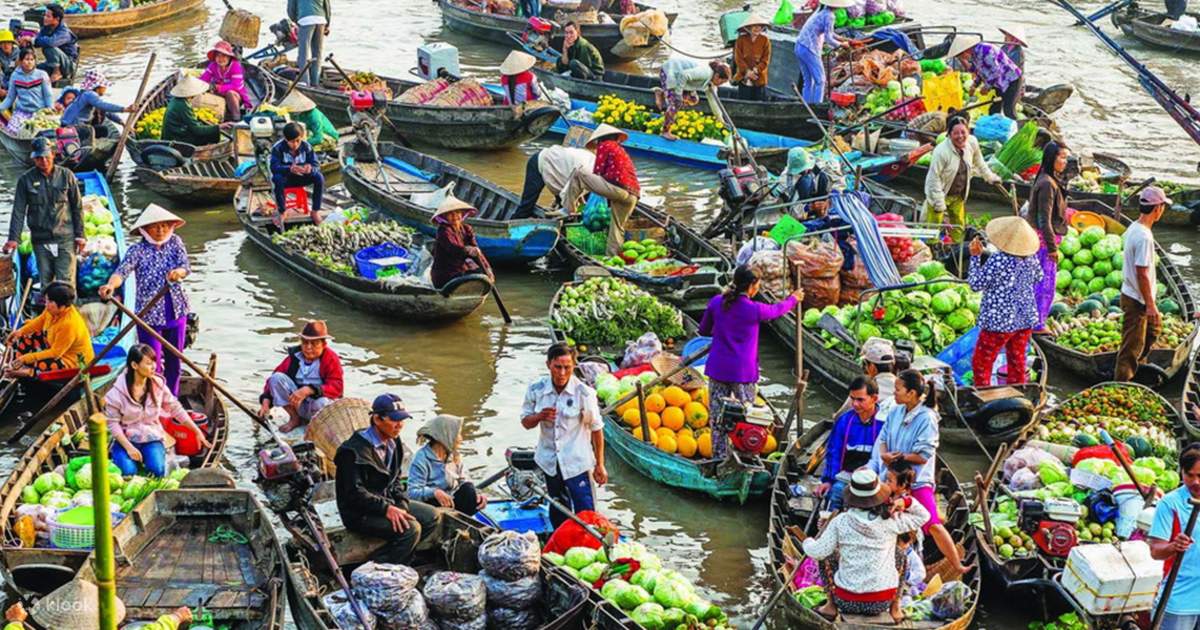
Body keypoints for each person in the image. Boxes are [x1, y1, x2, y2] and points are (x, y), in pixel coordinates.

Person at [870, 369, 971, 575]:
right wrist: (884, 455)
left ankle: (957, 564)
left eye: (898, 390)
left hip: (916, 479)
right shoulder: (896, 411)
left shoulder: (927, 418)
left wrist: (898, 457)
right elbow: (883, 438)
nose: (894, 393)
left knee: (932, 523)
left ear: (912, 393)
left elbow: (923, 456)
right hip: (890, 476)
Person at [698, 265, 802, 460]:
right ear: (753, 286)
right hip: (743, 373)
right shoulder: (754, 309)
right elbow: (776, 310)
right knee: (750, 417)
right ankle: (746, 455)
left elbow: (703, 330)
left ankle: (718, 457)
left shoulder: (716, 302)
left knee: (717, 417)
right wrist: (794, 299)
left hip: (719, 368)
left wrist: (723, 331)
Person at [801, 469, 929, 622]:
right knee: (901, 554)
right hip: (882, 602)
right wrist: (907, 501)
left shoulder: (841, 521)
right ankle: (895, 608)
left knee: (827, 554)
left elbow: (817, 552)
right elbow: (924, 516)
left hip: (846, 601)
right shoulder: (891, 521)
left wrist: (807, 542)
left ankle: (830, 606)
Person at [335, 393, 444, 566]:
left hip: (387, 501)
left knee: (432, 516)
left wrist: (401, 505)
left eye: (402, 420)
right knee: (411, 530)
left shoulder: (394, 442)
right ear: (377, 419)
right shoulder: (351, 452)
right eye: (394, 420)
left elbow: (396, 481)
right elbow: (354, 494)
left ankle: (397, 557)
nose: (399, 425)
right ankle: (380, 569)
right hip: (359, 512)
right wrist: (386, 509)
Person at [99, 204, 192, 396]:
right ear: (145, 229)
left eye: (165, 226)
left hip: (176, 310)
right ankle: (154, 401)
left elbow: (185, 266)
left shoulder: (175, 242)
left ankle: (171, 399)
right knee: (150, 365)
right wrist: (111, 285)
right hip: (149, 315)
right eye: (155, 226)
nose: (161, 230)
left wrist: (178, 273)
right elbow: (121, 272)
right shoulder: (137, 250)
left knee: (175, 359)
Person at [521, 343, 607, 530]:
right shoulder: (536, 389)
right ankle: (561, 544)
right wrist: (539, 416)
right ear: (548, 365)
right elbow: (525, 422)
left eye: (567, 367)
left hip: (577, 463)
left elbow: (596, 429)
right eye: (557, 367)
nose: (561, 373)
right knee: (559, 508)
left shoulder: (584, 393)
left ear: (573, 366)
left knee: (587, 514)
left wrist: (600, 464)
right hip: (550, 462)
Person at [104, 344, 210, 477]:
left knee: (157, 470)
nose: (154, 366)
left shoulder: (158, 385)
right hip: (126, 439)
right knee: (128, 473)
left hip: (151, 437)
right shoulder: (116, 393)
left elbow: (176, 408)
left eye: (154, 361)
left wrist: (196, 430)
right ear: (134, 365)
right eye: (148, 363)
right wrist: (129, 448)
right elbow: (113, 424)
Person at [968, 216, 1042, 387]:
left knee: (982, 362)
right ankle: (1019, 391)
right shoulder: (1031, 258)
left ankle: (984, 394)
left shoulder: (998, 259)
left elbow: (975, 284)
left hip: (1000, 321)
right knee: (1017, 361)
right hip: (1024, 318)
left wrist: (975, 257)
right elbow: (1038, 277)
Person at [4, 138, 83, 289]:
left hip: (65, 237)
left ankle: (68, 311)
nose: (44, 161)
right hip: (40, 239)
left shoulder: (67, 176)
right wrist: (14, 238)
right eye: (39, 158)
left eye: (47, 156)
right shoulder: (25, 180)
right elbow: (18, 212)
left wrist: (80, 235)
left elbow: (77, 207)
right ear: (33, 159)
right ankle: (48, 310)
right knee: (46, 282)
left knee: (66, 283)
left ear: (53, 154)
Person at [1116, 186, 1170, 382]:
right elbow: (1142, 273)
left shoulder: (1134, 228)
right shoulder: (1144, 237)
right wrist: (1150, 304)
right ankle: (1122, 384)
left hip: (1132, 293)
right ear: (1158, 209)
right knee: (1130, 348)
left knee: (1152, 332)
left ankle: (1140, 373)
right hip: (1137, 299)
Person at [559, 124, 640, 255]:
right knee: (617, 229)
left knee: (578, 173)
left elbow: (598, 172)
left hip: (618, 190)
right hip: (633, 196)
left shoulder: (605, 145)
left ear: (600, 139)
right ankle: (613, 258)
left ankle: (568, 208)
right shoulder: (620, 150)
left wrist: (586, 190)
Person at [924, 115, 1001, 242]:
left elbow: (979, 162)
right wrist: (939, 202)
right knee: (933, 228)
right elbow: (934, 178)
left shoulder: (972, 142)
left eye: (963, 132)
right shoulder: (941, 152)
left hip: (959, 194)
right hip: (940, 192)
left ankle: (957, 249)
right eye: (956, 133)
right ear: (949, 134)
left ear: (968, 132)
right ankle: (931, 249)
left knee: (959, 225)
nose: (960, 136)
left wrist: (990, 177)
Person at [1148, 442, 1200, 630]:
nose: (1196, 482)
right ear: (1182, 473)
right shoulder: (1171, 504)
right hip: (1179, 601)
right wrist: (1172, 547)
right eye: (1190, 475)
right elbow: (1155, 551)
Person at [258, 320, 344, 432]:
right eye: (305, 342)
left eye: (314, 343)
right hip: (297, 405)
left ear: (324, 344)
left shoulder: (330, 358)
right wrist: (266, 402)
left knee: (322, 402)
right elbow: (273, 379)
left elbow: (337, 387)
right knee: (276, 378)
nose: (308, 347)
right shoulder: (295, 356)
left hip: (319, 408)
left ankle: (317, 429)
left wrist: (310, 389)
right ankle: (295, 418)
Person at [817, 375, 885, 511]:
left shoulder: (884, 422)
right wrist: (828, 481)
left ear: (874, 398)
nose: (854, 404)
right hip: (847, 475)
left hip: (875, 478)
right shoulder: (844, 421)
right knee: (836, 493)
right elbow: (834, 452)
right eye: (852, 399)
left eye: (860, 400)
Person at [3, 281, 91, 378]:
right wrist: (20, 332)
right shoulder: (52, 310)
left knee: (44, 363)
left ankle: (29, 371)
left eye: (49, 302)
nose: (46, 304)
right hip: (52, 344)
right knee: (25, 335)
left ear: (62, 307)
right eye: (46, 300)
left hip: (72, 361)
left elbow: (55, 353)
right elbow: (40, 321)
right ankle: (15, 363)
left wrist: (26, 358)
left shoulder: (69, 324)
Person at [408, 414, 488, 514]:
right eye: (458, 434)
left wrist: (478, 494)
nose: (460, 438)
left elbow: (464, 480)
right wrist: (434, 492)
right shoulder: (421, 459)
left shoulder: (454, 455)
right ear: (446, 435)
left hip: (450, 501)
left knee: (469, 489)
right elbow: (412, 493)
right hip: (431, 506)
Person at [1027, 142, 1069, 332]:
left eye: (1066, 158)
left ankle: (1034, 320)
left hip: (1043, 240)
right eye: (1062, 157)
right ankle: (1037, 324)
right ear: (1052, 158)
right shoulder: (1046, 184)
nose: (1064, 162)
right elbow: (1044, 219)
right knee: (1045, 285)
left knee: (1040, 282)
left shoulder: (1048, 180)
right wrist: (1052, 248)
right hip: (1044, 243)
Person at [653, 57, 731, 141]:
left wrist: (721, 120)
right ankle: (665, 131)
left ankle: (661, 93)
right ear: (717, 76)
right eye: (721, 82)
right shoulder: (705, 73)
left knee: (694, 99)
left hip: (683, 80)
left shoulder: (712, 85)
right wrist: (678, 94)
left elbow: (714, 103)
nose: (720, 85)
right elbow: (684, 75)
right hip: (670, 71)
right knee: (676, 103)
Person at [948, 35, 1023, 120]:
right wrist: (974, 85)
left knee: (1008, 110)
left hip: (1011, 79)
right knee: (993, 110)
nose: (962, 59)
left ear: (966, 50)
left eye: (961, 56)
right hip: (998, 83)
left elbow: (996, 71)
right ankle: (994, 128)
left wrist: (986, 87)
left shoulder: (985, 50)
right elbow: (980, 72)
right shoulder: (973, 56)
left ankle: (1017, 129)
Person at [793, 0, 852, 104]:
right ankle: (817, 107)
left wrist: (842, 39)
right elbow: (828, 38)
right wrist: (842, 45)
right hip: (809, 48)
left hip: (799, 46)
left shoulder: (820, 12)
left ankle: (806, 106)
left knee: (808, 81)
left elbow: (830, 33)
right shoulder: (829, 16)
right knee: (821, 80)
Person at [514, 144, 594, 219]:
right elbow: (570, 190)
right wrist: (569, 208)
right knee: (526, 206)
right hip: (542, 161)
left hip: (560, 170)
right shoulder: (587, 170)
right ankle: (510, 227)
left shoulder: (594, 163)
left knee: (565, 210)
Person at [430, 195, 493, 289]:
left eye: (457, 213)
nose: (455, 216)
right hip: (445, 274)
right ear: (444, 217)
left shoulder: (466, 229)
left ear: (462, 214)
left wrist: (487, 268)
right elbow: (452, 248)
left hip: (460, 270)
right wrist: (467, 249)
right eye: (450, 214)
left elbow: (476, 251)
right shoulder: (443, 230)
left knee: (482, 274)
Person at [269, 122, 325, 221]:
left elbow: (316, 165)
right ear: (286, 140)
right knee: (277, 178)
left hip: (302, 177)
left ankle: (315, 210)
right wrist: (289, 169)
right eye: (291, 142)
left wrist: (310, 169)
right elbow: (274, 167)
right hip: (286, 179)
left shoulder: (307, 147)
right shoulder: (277, 148)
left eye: (297, 141)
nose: (295, 144)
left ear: (301, 137)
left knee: (319, 177)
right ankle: (282, 211)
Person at [836, 338, 898, 417]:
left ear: (872, 367)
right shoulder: (901, 387)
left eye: (865, 364)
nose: (864, 368)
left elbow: (841, 415)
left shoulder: (864, 388)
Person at [162, 73, 229, 146]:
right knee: (211, 134)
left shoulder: (177, 100)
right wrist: (219, 126)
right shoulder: (182, 105)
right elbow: (197, 130)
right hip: (176, 139)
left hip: (174, 134)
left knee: (208, 128)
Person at [0, 48, 54, 133]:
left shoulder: (42, 74)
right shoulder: (15, 76)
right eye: (26, 59)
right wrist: (1, 108)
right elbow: (10, 98)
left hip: (39, 111)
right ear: (21, 61)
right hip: (22, 111)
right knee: (13, 131)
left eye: (32, 59)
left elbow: (48, 95)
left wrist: (50, 110)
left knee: (45, 130)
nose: (29, 62)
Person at [198, 40, 252, 122]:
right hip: (219, 94)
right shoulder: (213, 65)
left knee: (230, 93)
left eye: (224, 56)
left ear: (229, 57)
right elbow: (203, 79)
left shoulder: (236, 66)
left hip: (235, 97)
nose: (220, 59)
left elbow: (236, 86)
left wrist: (217, 87)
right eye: (218, 56)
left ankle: (236, 119)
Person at [23, 5, 77, 83]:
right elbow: (37, 41)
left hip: (68, 65)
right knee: (34, 69)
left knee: (48, 47)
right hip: (54, 62)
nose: (45, 18)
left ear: (57, 19)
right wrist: (27, 40)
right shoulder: (46, 28)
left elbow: (50, 42)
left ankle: (57, 72)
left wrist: (32, 39)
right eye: (45, 15)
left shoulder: (64, 32)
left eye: (48, 16)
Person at [59, 69, 130, 127]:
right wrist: (124, 109)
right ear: (98, 87)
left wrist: (121, 122)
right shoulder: (90, 94)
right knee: (103, 130)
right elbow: (103, 105)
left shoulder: (87, 94)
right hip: (72, 125)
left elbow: (106, 111)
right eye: (104, 86)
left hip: (68, 123)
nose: (105, 88)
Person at [287, 0, 331, 87]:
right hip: (321, 20)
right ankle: (315, 82)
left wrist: (297, 20)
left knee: (303, 54)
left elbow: (291, 10)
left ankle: (304, 82)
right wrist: (327, 25)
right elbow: (328, 8)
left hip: (305, 20)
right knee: (317, 54)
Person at [732, 14, 771, 101]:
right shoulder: (741, 40)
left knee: (759, 100)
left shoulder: (765, 40)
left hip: (759, 76)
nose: (757, 29)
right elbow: (738, 58)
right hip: (743, 76)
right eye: (755, 26)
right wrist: (747, 72)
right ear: (749, 27)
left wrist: (755, 71)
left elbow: (765, 60)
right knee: (743, 99)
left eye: (760, 26)